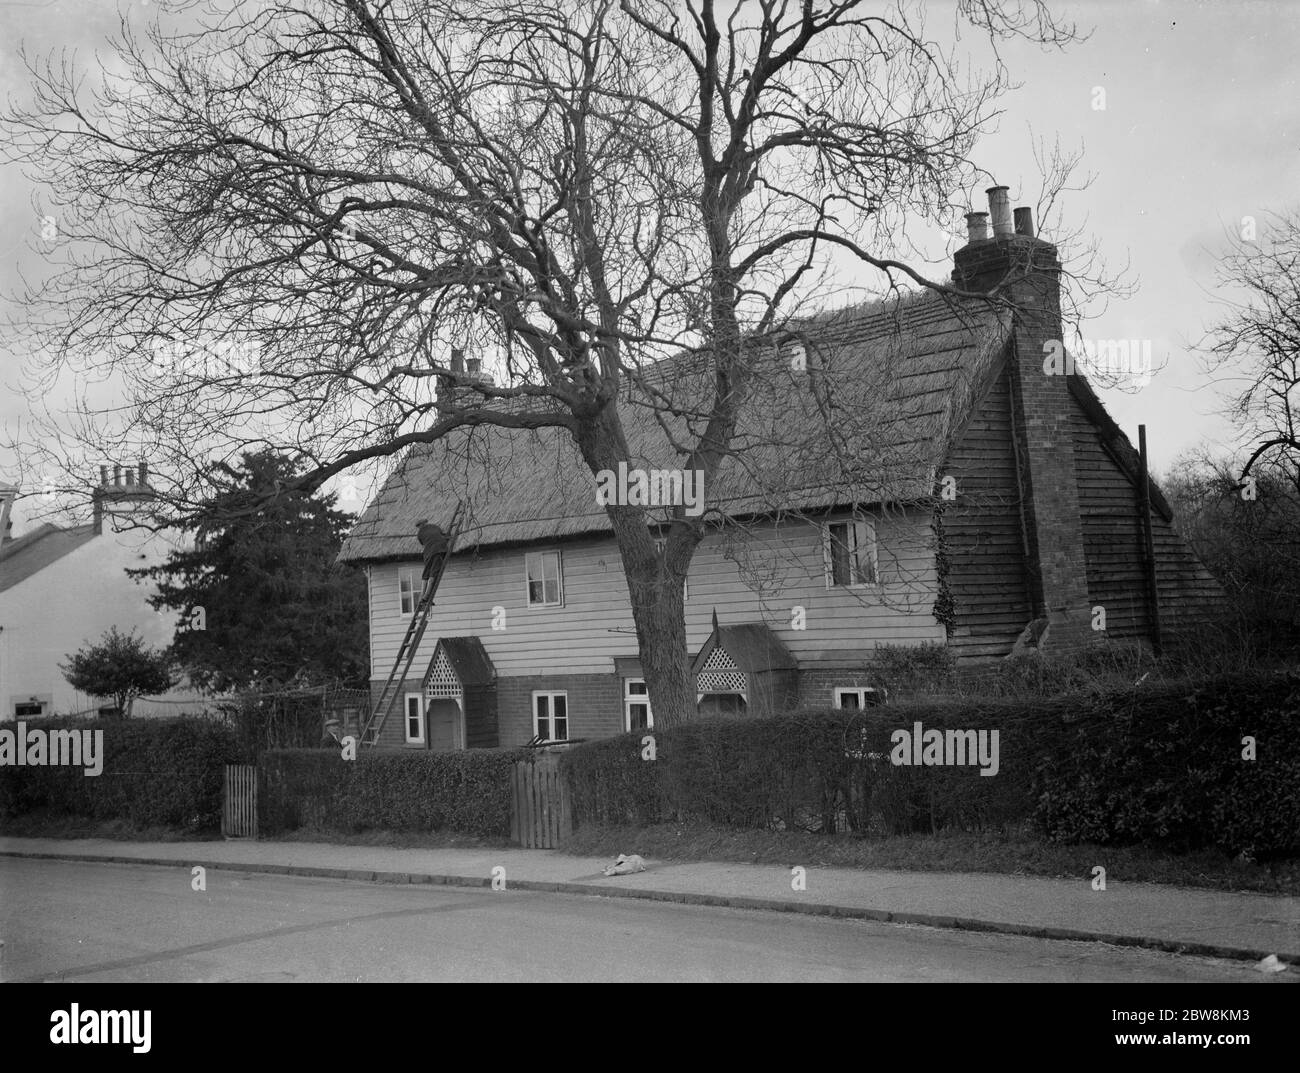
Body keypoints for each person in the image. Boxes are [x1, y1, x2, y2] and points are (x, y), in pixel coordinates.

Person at [415, 518, 450, 592]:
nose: (419, 528)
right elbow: (442, 535)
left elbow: (422, 543)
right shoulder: (435, 527)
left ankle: (425, 595)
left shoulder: (420, 534)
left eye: (418, 526)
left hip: (429, 554)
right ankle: (426, 595)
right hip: (440, 550)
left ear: (421, 525)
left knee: (427, 574)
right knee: (433, 573)